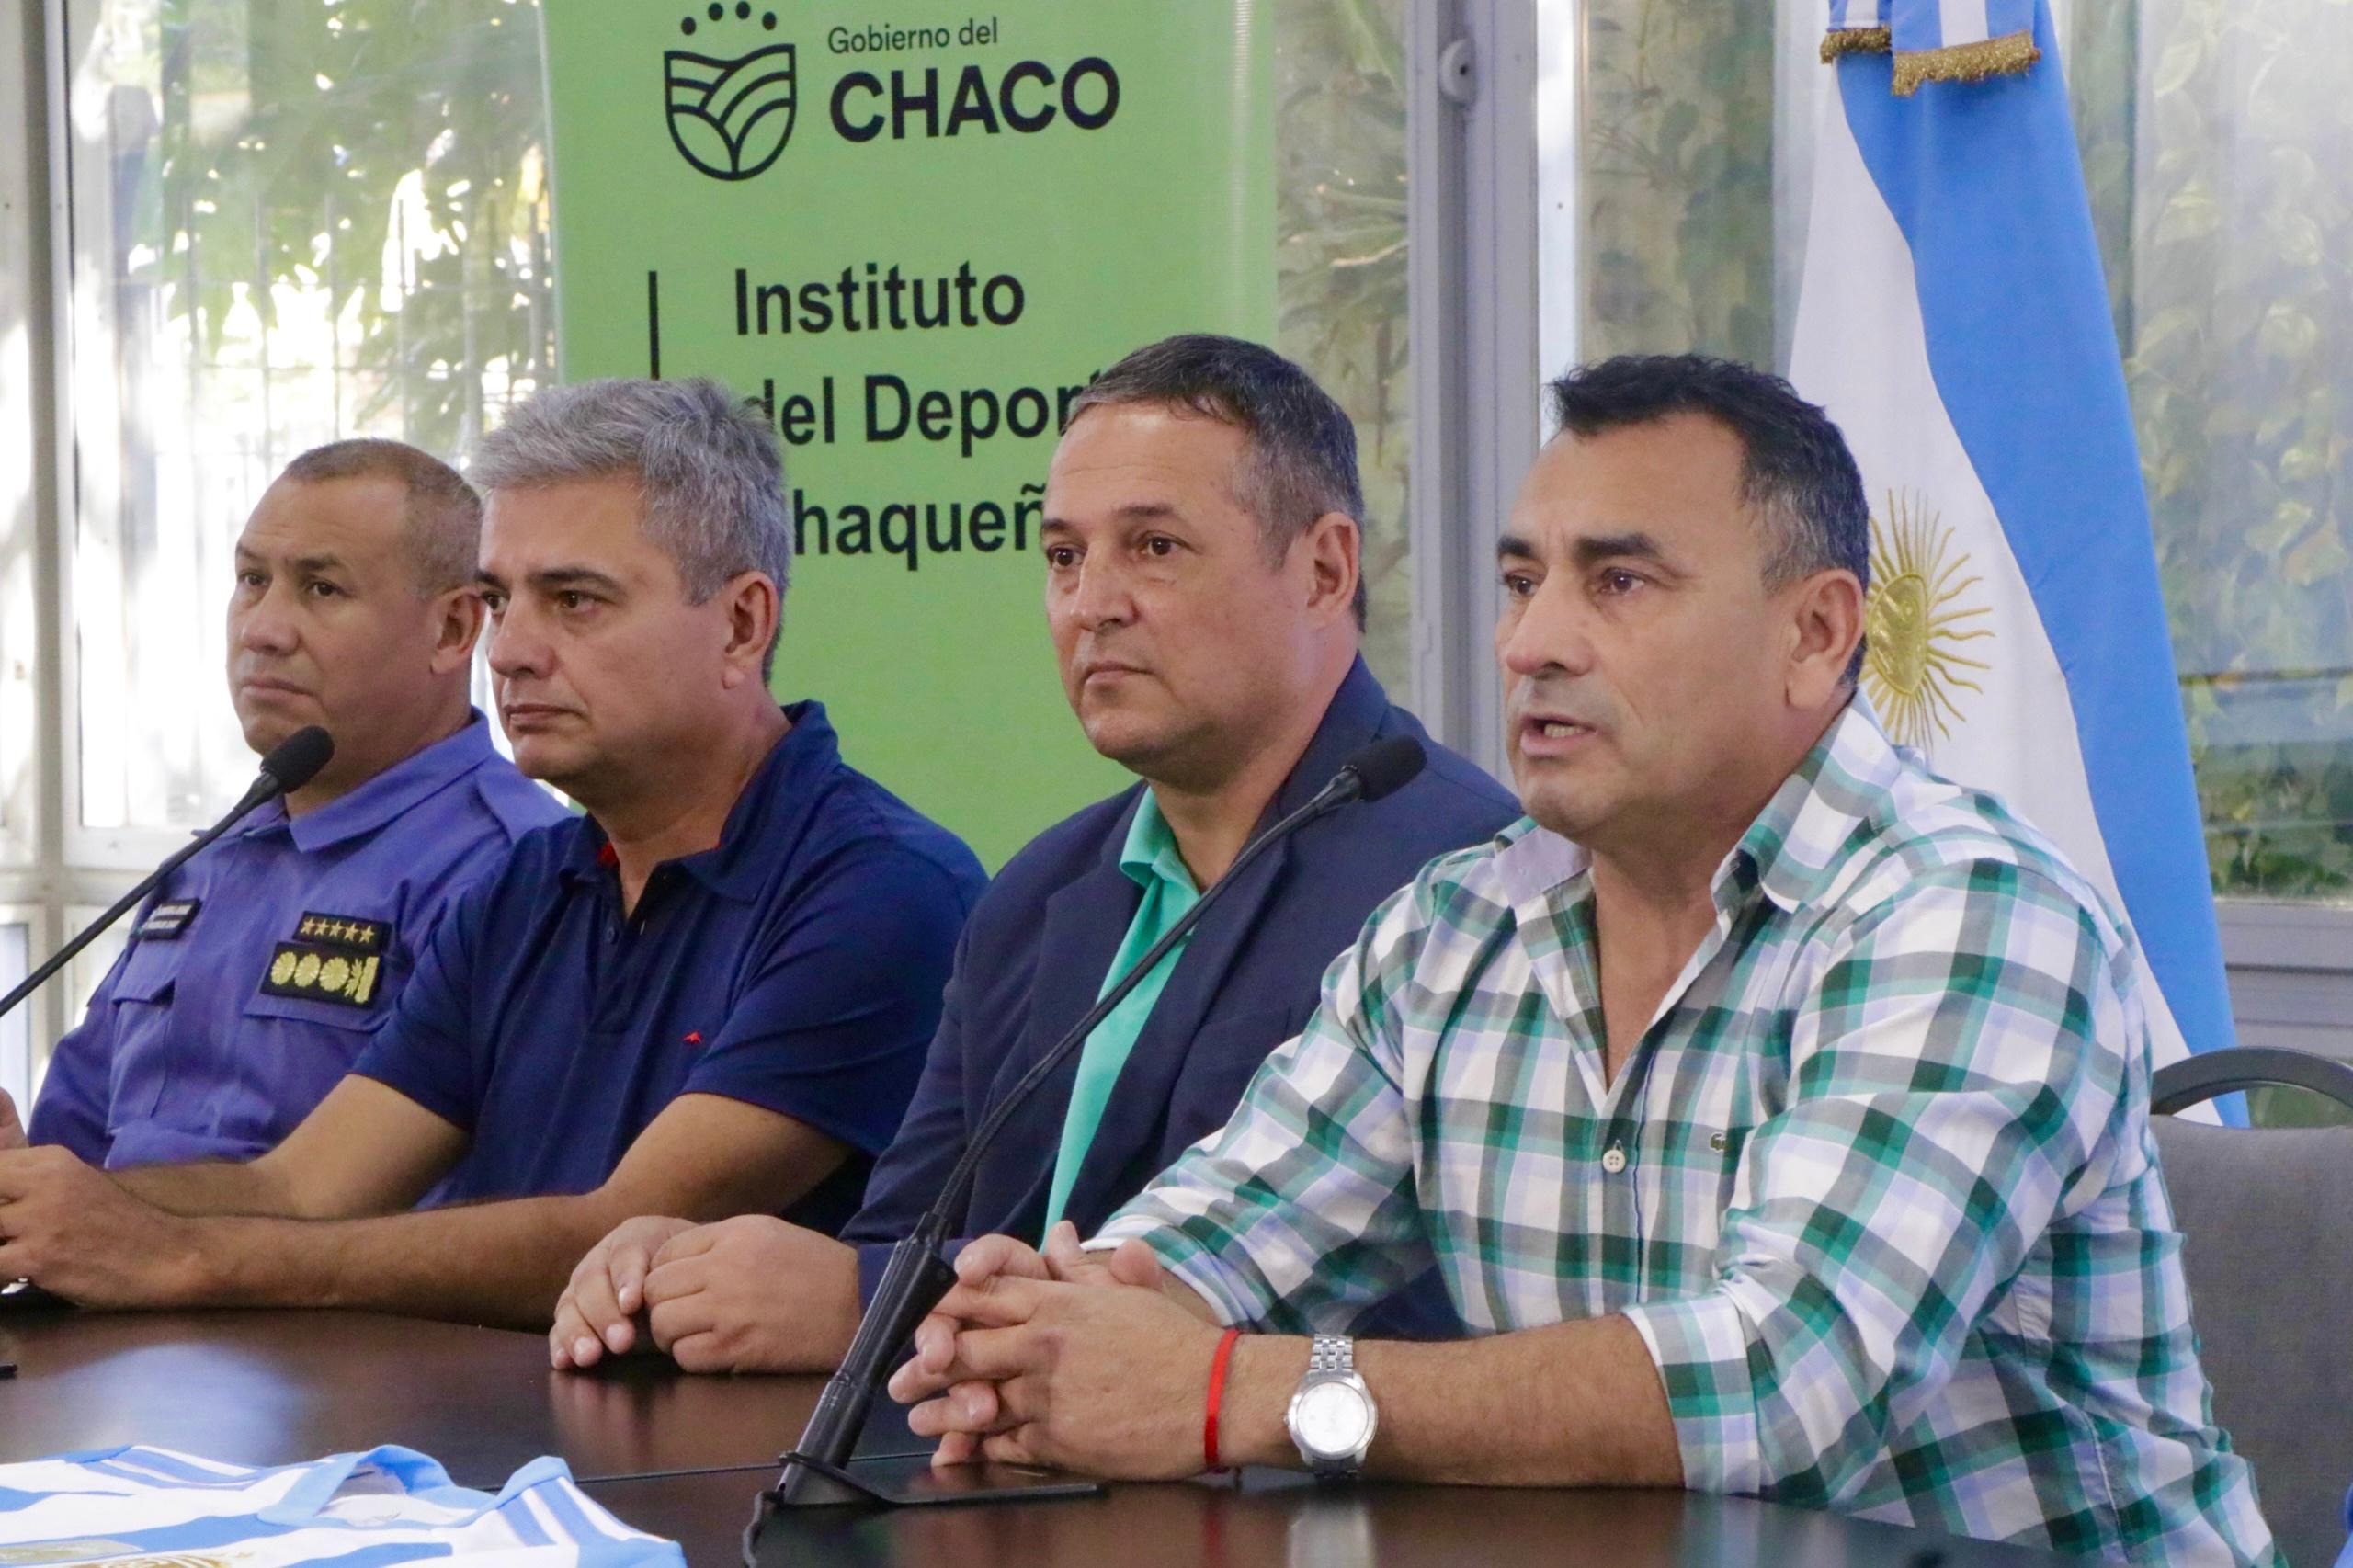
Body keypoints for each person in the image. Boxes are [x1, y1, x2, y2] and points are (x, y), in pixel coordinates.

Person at [889, 356, 2279, 1566]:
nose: (1532, 642)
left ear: (1814, 634)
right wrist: (1050, 1334)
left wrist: (1224, 1393)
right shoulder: (1455, 929)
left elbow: (1773, 1385)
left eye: (1618, 581)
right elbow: (1220, 1233)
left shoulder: (1969, 917)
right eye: (1520, 581)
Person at [549, 335, 1518, 1374]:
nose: (1092, 603)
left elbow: (1297, 1300)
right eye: (1063, 557)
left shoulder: (1457, 885)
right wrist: (680, 1271)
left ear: (1324, 570)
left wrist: (860, 1302)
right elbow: (898, 1235)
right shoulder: (1039, 889)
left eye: (1154, 547)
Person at [0, 378, 985, 1328]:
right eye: (502, 599)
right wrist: (41, 1203)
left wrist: (181, 1259)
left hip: (725, 1444)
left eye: (575, 601)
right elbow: (298, 1189)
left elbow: (617, 1235)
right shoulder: (527, 884)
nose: (509, 650)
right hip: (487, 1436)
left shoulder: (882, 889)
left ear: (741, 623)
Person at [6, 441, 562, 1169]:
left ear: (452, 630)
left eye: (322, 589)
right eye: (251, 580)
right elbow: (69, 1155)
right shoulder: (209, 861)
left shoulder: (517, 868)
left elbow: (497, 1203)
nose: (262, 629)